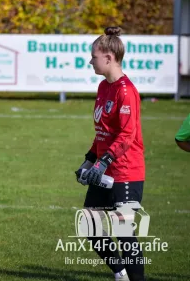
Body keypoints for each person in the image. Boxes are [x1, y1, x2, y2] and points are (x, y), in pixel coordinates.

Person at [75, 27, 146, 281]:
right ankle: (120, 273)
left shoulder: (126, 91)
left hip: (126, 172)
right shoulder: (104, 86)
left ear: (109, 57)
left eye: (93, 56)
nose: (90, 61)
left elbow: (127, 135)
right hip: (102, 171)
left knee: (124, 233)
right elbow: (103, 132)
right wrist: (89, 159)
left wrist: (103, 162)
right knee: (90, 225)